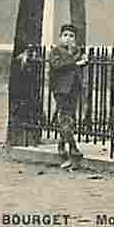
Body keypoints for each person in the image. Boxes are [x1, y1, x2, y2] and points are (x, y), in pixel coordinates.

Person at [48, 23, 87, 168]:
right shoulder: (55, 51)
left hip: (74, 90)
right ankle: (74, 151)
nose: (68, 38)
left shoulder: (78, 52)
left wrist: (83, 61)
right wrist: (76, 62)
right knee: (65, 119)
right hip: (61, 90)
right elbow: (58, 65)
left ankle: (61, 146)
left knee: (69, 120)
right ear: (60, 38)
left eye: (71, 36)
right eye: (65, 35)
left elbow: (79, 68)